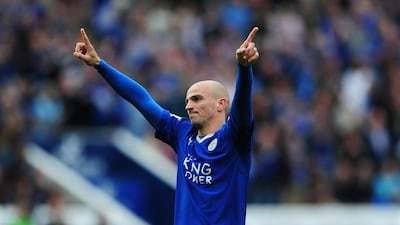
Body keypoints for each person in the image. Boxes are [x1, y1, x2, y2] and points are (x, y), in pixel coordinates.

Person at [73, 26, 259, 225]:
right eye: (188, 101)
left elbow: (241, 108)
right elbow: (141, 99)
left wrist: (244, 68)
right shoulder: (182, 133)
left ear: (221, 104)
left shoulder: (233, 138)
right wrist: (100, 65)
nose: (188, 106)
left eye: (196, 99)